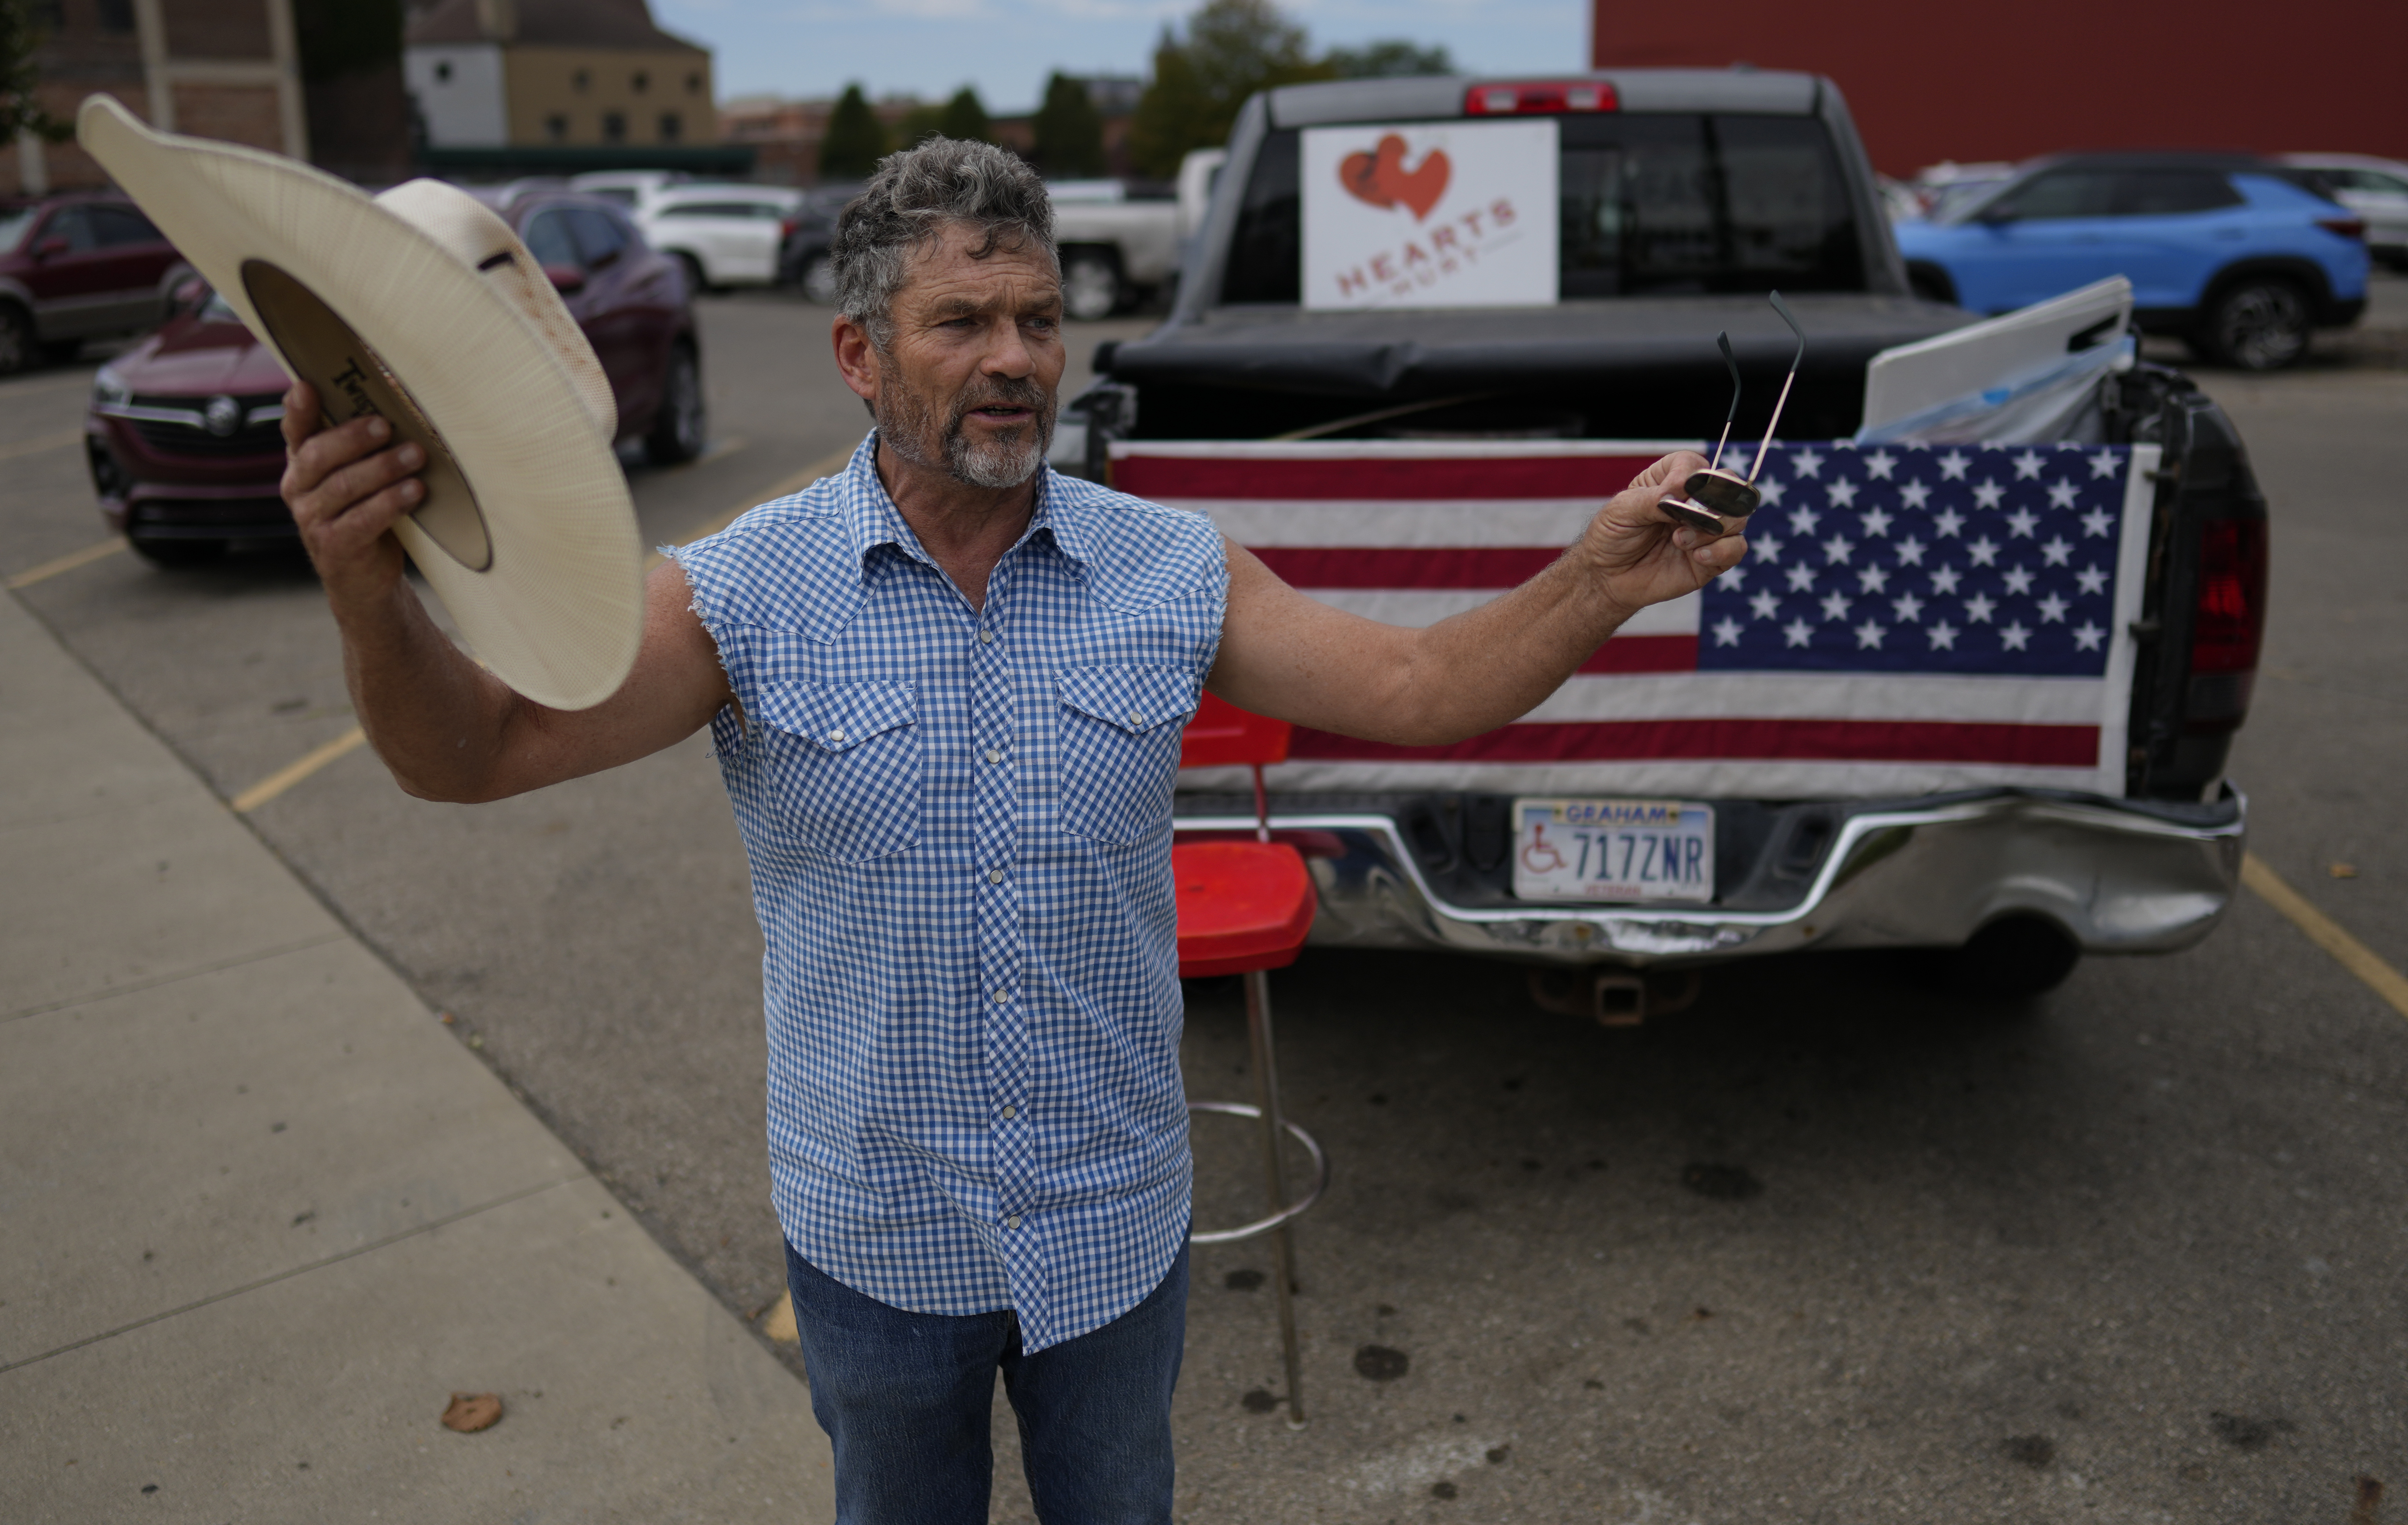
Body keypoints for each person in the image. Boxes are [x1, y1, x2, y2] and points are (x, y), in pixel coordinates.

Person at [278, 138, 1744, 1524]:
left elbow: (1420, 688)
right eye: (960, 321)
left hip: (1111, 1228)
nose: (1012, 360)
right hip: (874, 1241)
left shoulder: (1165, 567)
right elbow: (471, 755)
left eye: (1038, 320)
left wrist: (1595, 583)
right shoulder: (737, 592)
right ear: (857, 356)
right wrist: (364, 588)